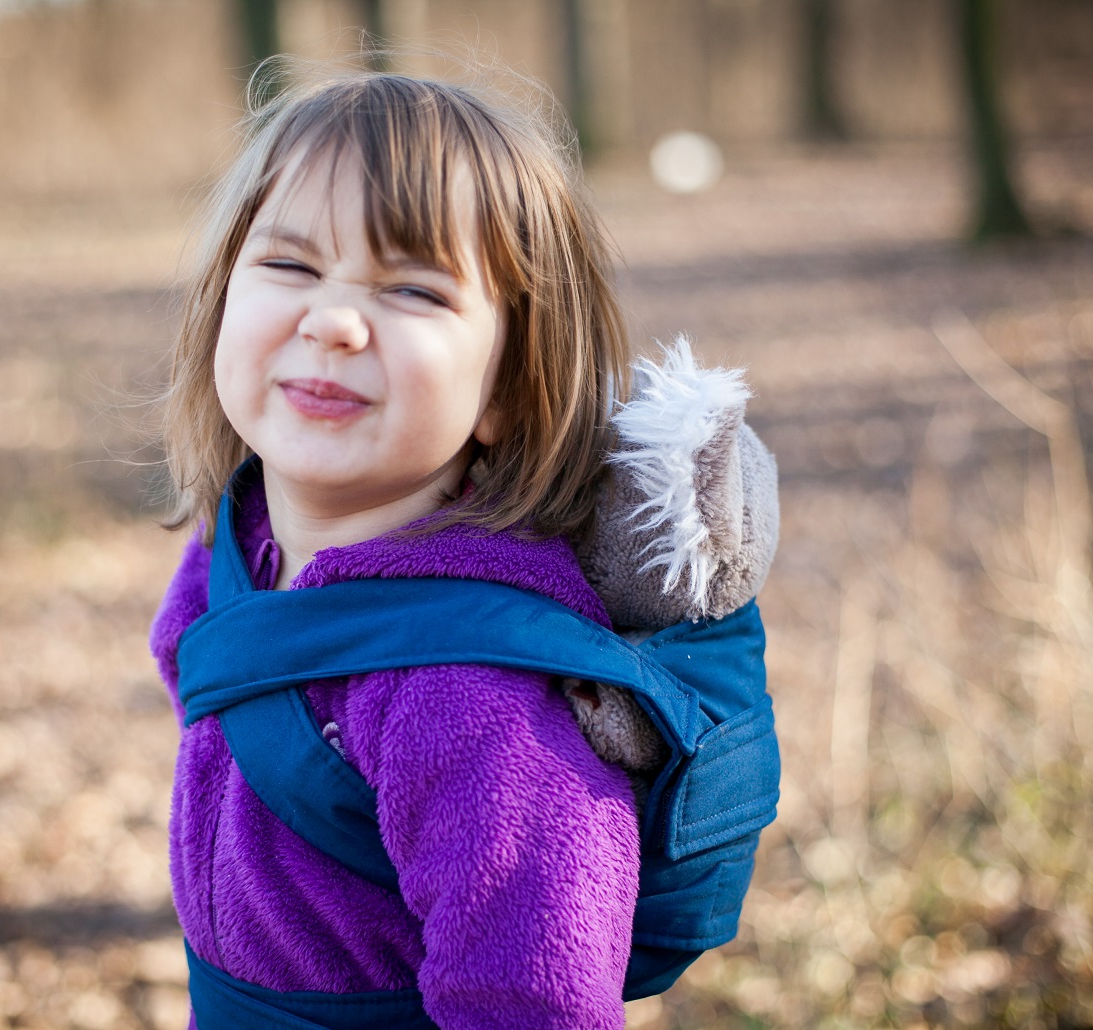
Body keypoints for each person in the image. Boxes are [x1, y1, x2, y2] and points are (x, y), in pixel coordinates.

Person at [150, 66, 775, 1030]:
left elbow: (535, 1002)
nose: (332, 319)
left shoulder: (474, 699)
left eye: (411, 288)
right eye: (289, 267)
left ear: (505, 391)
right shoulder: (239, 543)